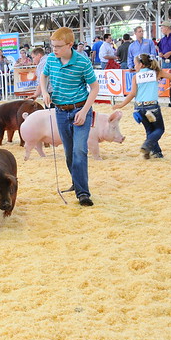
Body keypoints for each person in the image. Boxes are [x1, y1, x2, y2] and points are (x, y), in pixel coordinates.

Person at [40, 27, 99, 207]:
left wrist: (83, 111)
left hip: (80, 109)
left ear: (70, 45)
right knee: (69, 153)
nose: (54, 50)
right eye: (52, 46)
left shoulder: (82, 62)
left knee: (79, 150)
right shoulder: (51, 59)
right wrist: (44, 92)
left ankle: (83, 193)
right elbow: (43, 76)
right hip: (60, 111)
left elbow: (94, 88)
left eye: (58, 46)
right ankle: (77, 181)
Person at [113, 54, 171, 159]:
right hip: (152, 106)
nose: (134, 66)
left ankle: (156, 153)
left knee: (150, 130)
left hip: (139, 108)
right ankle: (147, 145)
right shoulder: (157, 72)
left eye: (135, 64)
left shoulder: (136, 77)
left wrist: (121, 105)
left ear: (141, 64)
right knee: (159, 129)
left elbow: (132, 94)